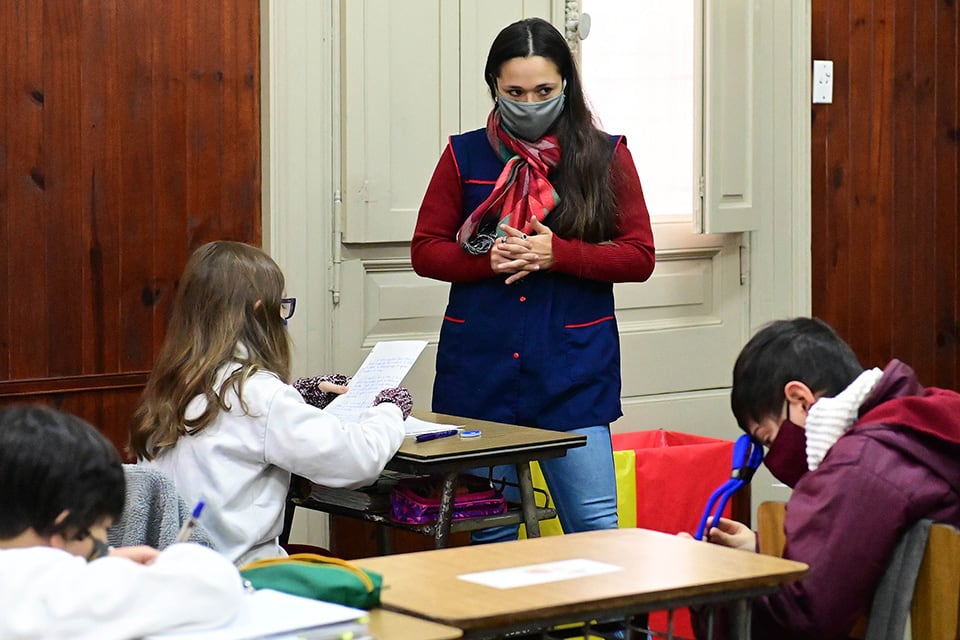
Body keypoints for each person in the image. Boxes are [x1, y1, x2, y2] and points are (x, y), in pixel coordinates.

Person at [411, 17, 655, 543]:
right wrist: (486, 261)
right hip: (482, 373)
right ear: (494, 87)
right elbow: (425, 251)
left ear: (566, 83)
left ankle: (607, 630)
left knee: (594, 529)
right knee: (490, 534)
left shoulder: (605, 155)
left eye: (543, 90)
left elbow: (639, 257)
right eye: (515, 91)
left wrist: (557, 254)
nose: (529, 102)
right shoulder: (463, 154)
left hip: (572, 377)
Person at [129, 240, 411, 565]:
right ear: (260, 311)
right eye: (282, 307)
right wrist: (390, 409)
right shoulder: (260, 396)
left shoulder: (174, 384)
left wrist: (298, 394)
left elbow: (235, 424)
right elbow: (356, 461)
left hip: (175, 570)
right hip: (245, 578)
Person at [694, 317, 960, 639]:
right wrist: (765, 547)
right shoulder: (919, 419)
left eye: (768, 439)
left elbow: (803, 617)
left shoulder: (859, 463)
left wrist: (703, 577)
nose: (773, 457)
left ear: (801, 401)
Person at [0, 404, 243, 640]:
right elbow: (215, 587)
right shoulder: (61, 591)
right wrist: (171, 559)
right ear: (66, 527)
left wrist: (110, 556)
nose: (106, 543)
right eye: (104, 529)